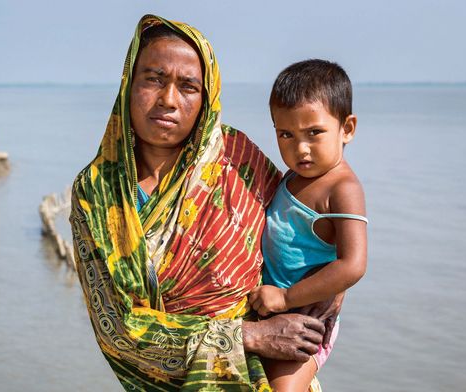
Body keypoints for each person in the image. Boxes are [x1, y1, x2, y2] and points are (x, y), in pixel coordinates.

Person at [70, 15, 340, 391]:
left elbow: (305, 231)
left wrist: (333, 287)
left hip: (271, 373)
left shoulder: (236, 155)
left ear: (206, 96)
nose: (168, 100)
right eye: (154, 79)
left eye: (188, 86)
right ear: (128, 84)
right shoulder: (96, 191)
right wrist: (247, 336)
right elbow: (115, 329)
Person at [248, 60, 368, 391]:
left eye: (314, 133)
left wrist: (286, 298)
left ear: (347, 128)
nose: (300, 148)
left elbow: (353, 265)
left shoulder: (342, 189)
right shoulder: (294, 176)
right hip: (268, 308)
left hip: (307, 319)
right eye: (286, 134)